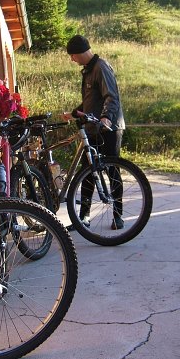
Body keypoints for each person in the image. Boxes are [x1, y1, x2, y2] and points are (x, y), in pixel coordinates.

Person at [63, 34, 125, 230]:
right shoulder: (88, 71)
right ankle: (84, 217)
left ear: (79, 52)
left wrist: (106, 117)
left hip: (108, 128)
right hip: (91, 129)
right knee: (87, 173)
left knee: (111, 170)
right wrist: (74, 113)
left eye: (72, 55)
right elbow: (92, 100)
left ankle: (118, 215)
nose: (72, 59)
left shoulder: (101, 67)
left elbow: (111, 96)